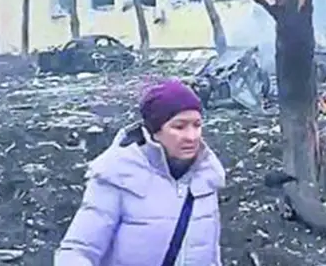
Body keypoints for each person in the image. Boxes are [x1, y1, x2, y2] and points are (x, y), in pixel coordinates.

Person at [55, 78, 225, 266]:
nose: (191, 136)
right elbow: (77, 251)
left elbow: (211, 254)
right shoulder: (118, 175)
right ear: (154, 130)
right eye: (179, 126)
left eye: (197, 125)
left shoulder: (206, 177)